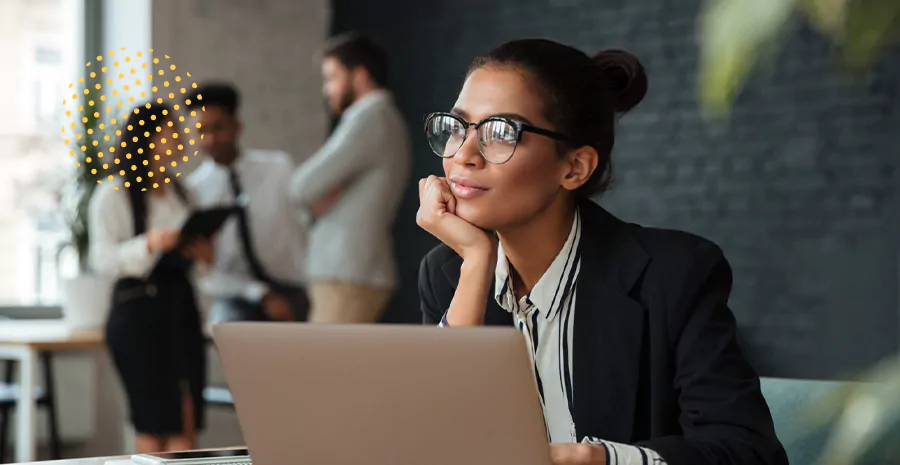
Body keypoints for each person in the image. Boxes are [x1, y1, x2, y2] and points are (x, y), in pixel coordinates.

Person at [416, 39, 788, 465]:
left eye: (501, 134)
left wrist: (600, 460)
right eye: (458, 126)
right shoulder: (449, 271)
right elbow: (436, 442)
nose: (462, 155)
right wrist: (477, 262)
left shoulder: (674, 275)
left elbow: (749, 455)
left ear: (574, 167)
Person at [89, 102, 211, 453]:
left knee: (185, 418)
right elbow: (101, 259)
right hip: (139, 315)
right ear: (147, 138)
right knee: (154, 422)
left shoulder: (183, 192)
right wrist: (149, 244)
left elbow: (200, 267)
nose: (178, 137)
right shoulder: (114, 193)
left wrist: (201, 255)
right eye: (169, 129)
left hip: (180, 310)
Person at [289, 33, 411, 323]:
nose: (326, 89)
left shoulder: (370, 117)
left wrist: (322, 195)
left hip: (348, 272)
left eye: (332, 77)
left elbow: (301, 188)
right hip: (352, 271)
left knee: (323, 367)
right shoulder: (381, 119)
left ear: (359, 75)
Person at [184, 82, 309, 323]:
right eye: (200, 131)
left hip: (294, 289)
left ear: (236, 126)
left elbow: (307, 224)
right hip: (237, 296)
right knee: (226, 328)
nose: (210, 139)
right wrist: (261, 294)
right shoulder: (193, 192)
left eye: (217, 128)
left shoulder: (278, 168)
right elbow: (206, 272)